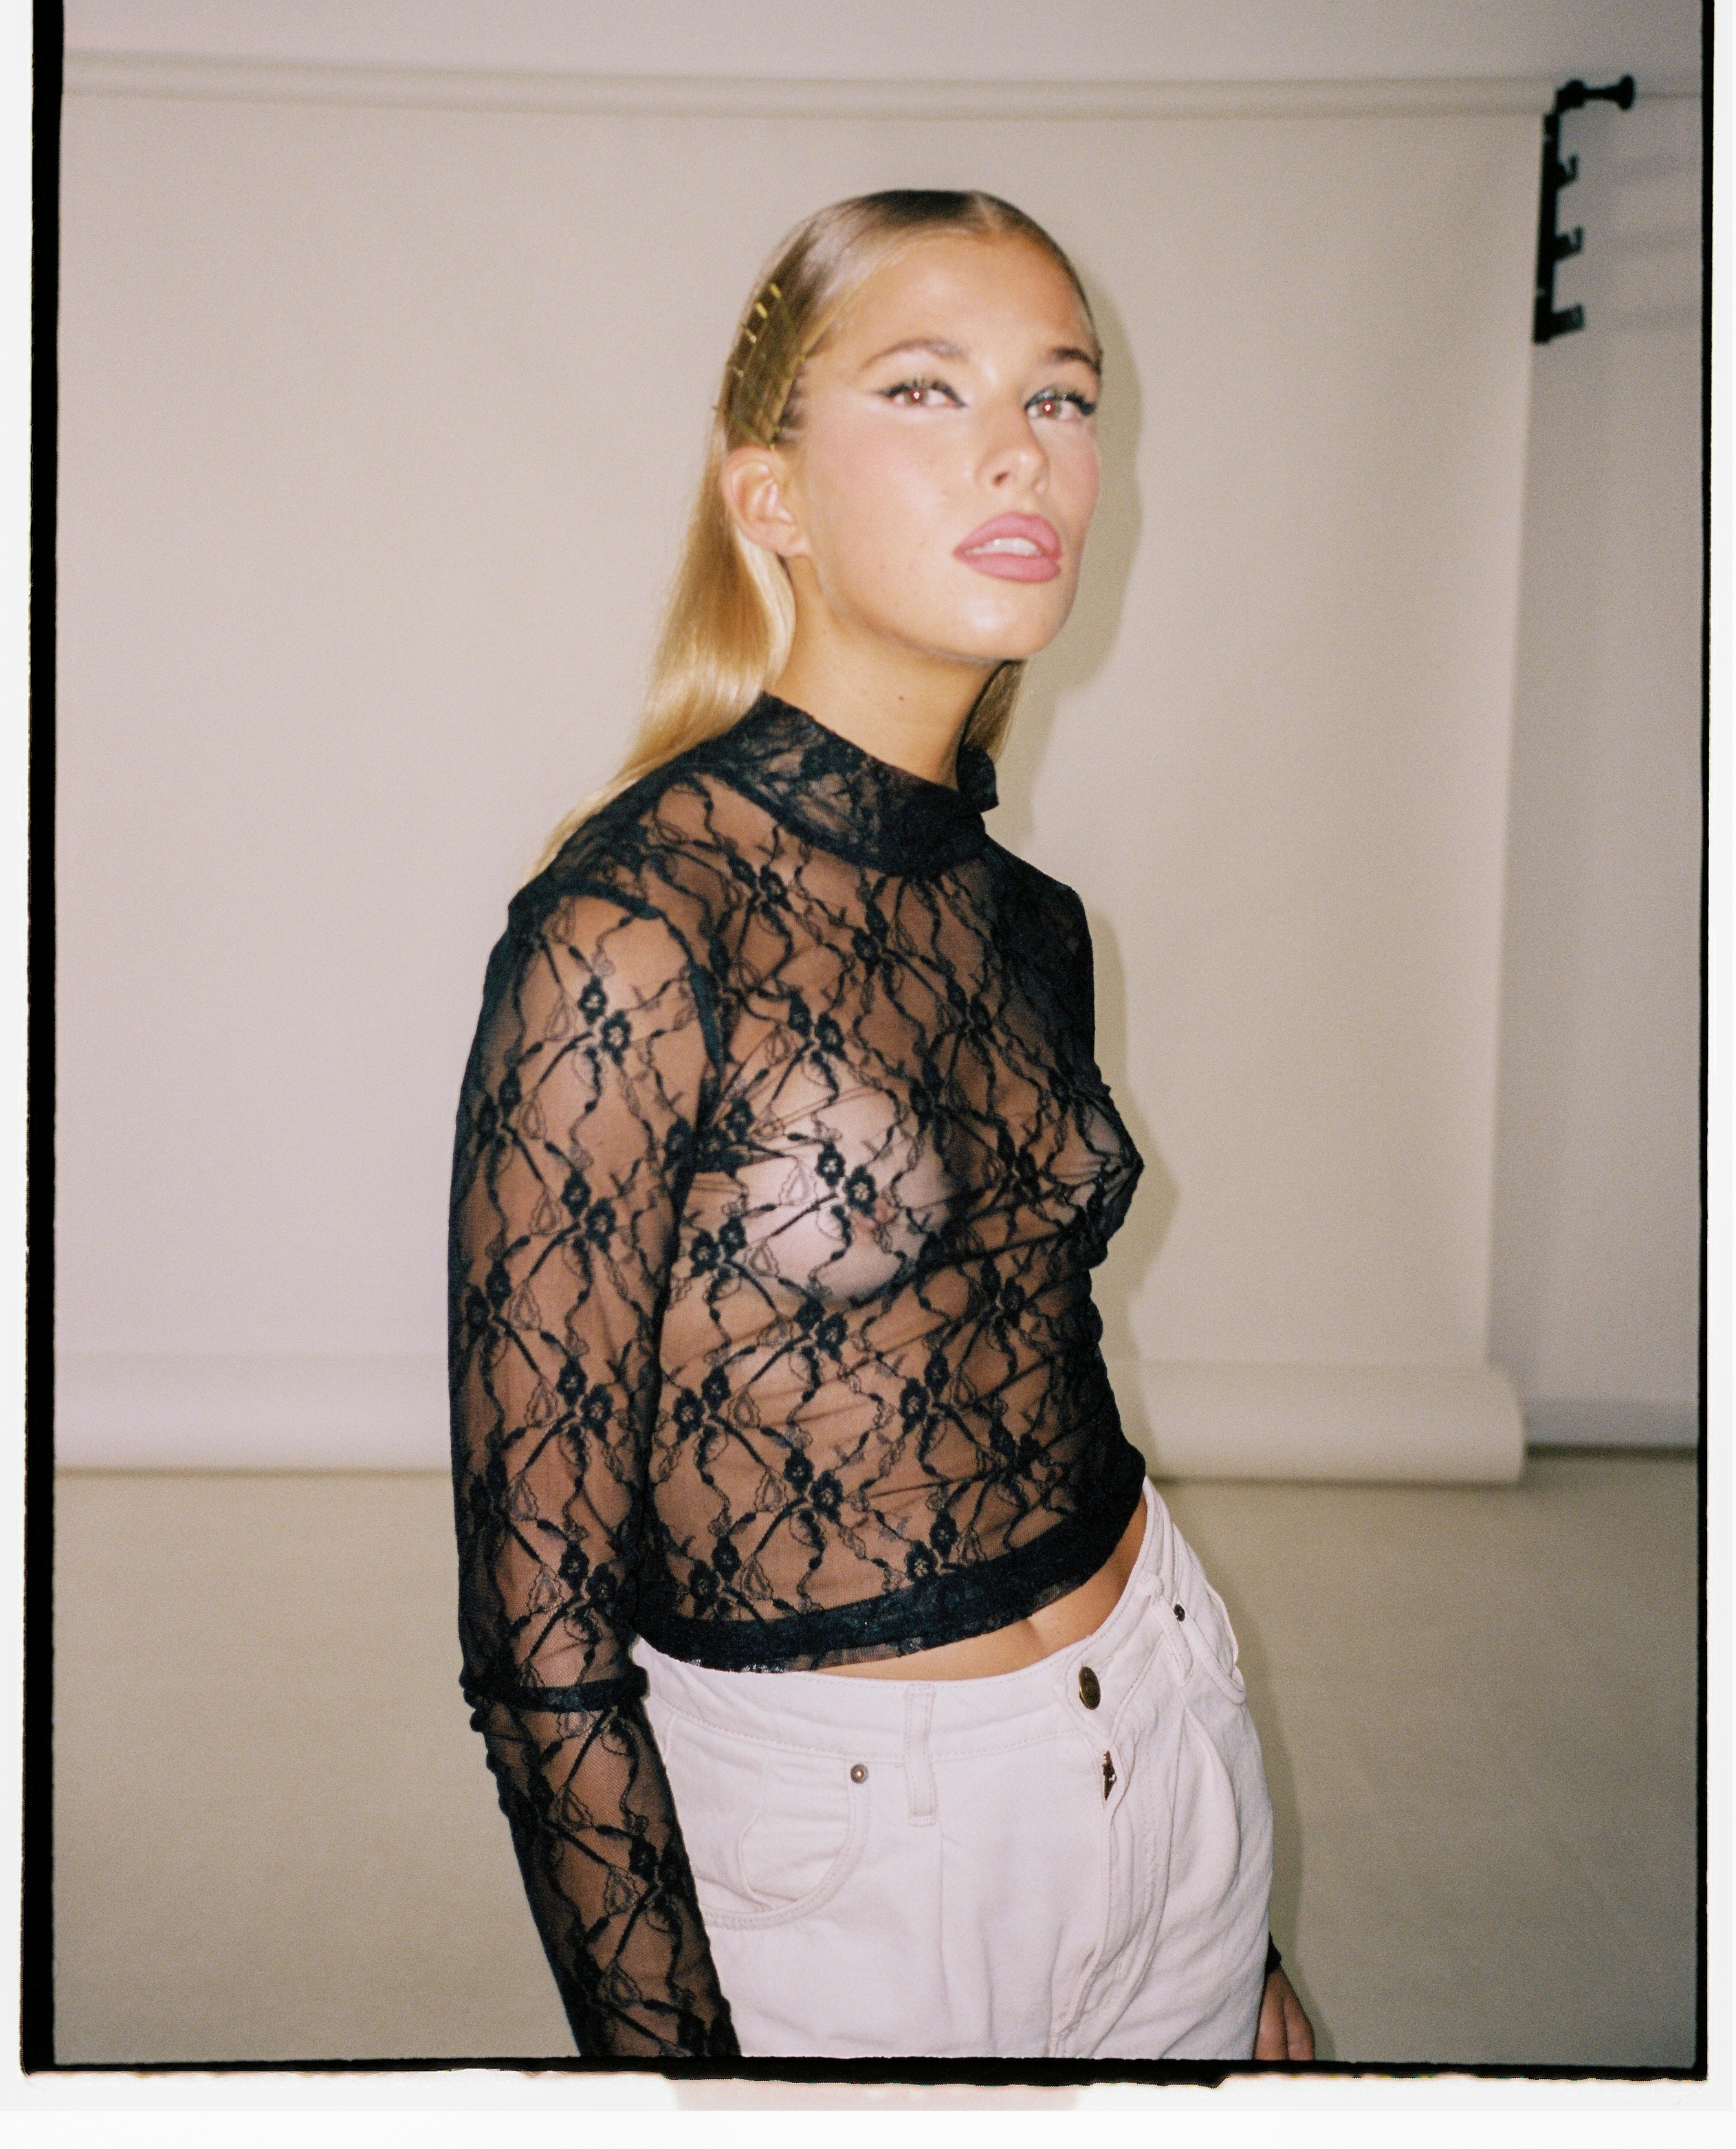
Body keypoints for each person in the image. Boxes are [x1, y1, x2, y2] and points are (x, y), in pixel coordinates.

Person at [448, 189, 1315, 2065]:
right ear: (768, 494)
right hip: (852, 1850)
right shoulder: (627, 935)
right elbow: (542, 1648)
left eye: (1063, 398)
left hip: (1165, 1719)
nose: (1022, 446)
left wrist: (1227, 1929)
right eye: (929, 390)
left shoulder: (1033, 922)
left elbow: (1024, 1350)